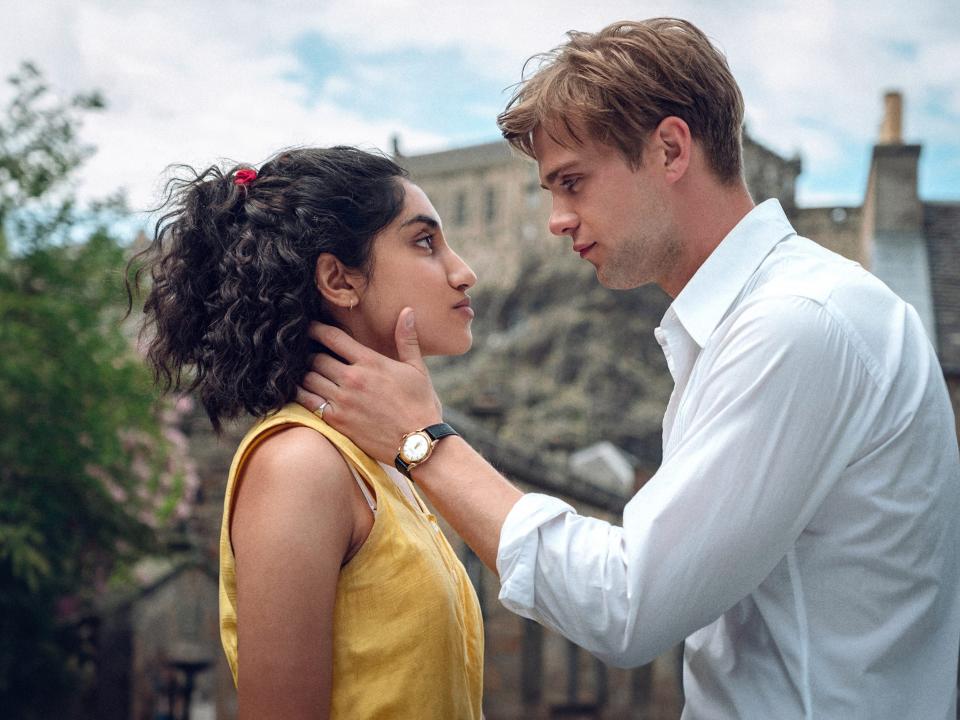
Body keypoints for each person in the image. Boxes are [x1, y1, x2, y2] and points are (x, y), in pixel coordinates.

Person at [297, 18, 960, 719]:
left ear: (671, 150)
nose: (555, 218)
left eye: (573, 183)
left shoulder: (797, 325)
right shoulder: (768, 318)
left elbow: (627, 603)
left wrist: (421, 438)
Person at [129, 146, 484, 719]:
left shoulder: (377, 463)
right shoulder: (299, 465)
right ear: (339, 279)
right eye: (425, 242)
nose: (463, 271)